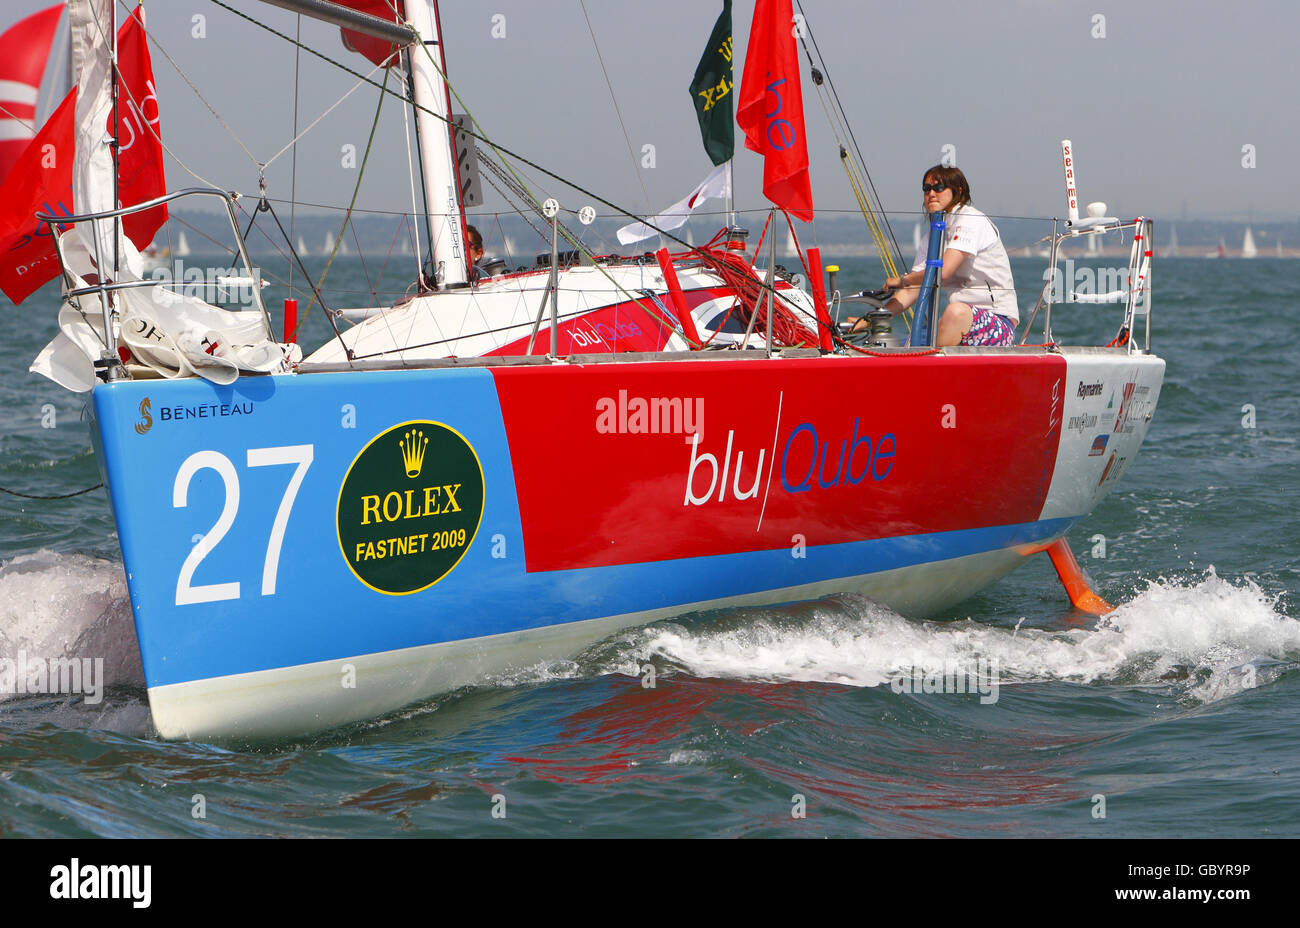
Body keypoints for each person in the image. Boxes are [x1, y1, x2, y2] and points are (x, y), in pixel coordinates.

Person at [860, 166, 1018, 347]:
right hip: (959, 323)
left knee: (955, 312)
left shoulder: (970, 219)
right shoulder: (931, 237)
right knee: (907, 340)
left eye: (939, 187)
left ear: (958, 191)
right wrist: (868, 320)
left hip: (997, 323)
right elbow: (914, 288)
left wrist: (901, 280)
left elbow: (941, 272)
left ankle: (926, 371)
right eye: (927, 189)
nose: (932, 194)